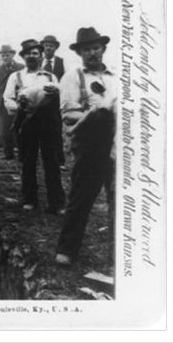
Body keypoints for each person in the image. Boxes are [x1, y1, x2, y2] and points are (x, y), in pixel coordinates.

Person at [55, 27, 116, 266]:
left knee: (117, 199)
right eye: (87, 49)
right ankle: (67, 250)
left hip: (115, 143)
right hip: (89, 143)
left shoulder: (115, 77)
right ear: (80, 53)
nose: (92, 52)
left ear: (103, 49)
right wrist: (96, 112)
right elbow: (69, 115)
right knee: (82, 197)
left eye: (96, 47)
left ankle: (118, 255)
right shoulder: (73, 77)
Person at [3, 39, 65, 214]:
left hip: (48, 122)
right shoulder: (16, 77)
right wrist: (19, 107)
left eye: (35, 53)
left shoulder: (50, 77)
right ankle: (30, 199)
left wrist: (57, 93)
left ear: (40, 56)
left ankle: (57, 203)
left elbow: (61, 97)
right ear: (23, 57)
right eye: (28, 53)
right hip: (26, 121)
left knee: (51, 160)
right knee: (28, 161)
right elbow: (7, 98)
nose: (32, 56)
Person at [0, 44, 25, 159]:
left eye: (7, 55)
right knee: (5, 130)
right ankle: (8, 154)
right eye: (3, 56)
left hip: (18, 102)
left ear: (13, 55)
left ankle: (22, 153)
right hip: (2, 104)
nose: (5, 58)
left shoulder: (21, 67)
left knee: (20, 128)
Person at [41, 35, 67, 168]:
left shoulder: (62, 62)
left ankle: (60, 160)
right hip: (39, 102)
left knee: (56, 131)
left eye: (51, 46)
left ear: (55, 48)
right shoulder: (38, 61)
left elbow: (66, 82)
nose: (48, 48)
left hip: (55, 103)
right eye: (46, 45)